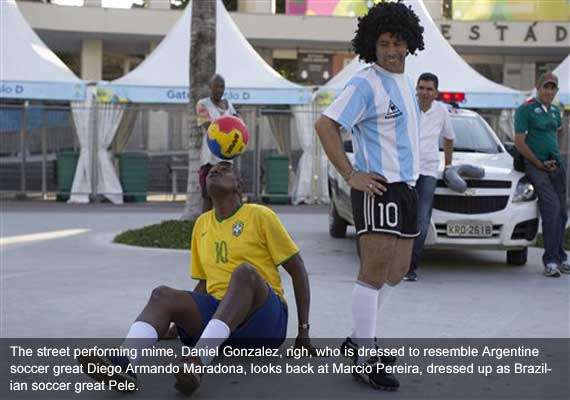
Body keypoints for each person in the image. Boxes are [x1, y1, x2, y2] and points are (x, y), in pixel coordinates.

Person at [78, 161, 314, 395]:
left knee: (245, 272)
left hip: (263, 321)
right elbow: (204, 283)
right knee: (162, 295)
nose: (216, 170)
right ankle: (124, 362)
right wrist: (176, 320)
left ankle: (197, 361)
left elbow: (298, 269)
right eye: (212, 171)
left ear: (238, 186)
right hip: (222, 321)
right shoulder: (202, 224)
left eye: (225, 169)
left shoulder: (260, 215)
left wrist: (303, 332)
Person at [315, 1, 424, 391]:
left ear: (409, 42)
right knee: (374, 273)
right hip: (379, 189)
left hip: (406, 188)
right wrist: (351, 174)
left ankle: (356, 338)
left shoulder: (406, 82)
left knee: (397, 273)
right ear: (371, 46)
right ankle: (365, 356)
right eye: (384, 44)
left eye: (397, 42)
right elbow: (325, 125)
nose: (392, 50)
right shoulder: (364, 83)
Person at [514, 72, 569, 277]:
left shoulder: (555, 111)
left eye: (553, 88)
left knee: (562, 212)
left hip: (555, 164)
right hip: (536, 165)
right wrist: (539, 163)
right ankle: (551, 261)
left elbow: (556, 133)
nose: (549, 91)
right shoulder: (525, 109)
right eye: (546, 87)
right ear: (538, 88)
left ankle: (560, 257)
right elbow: (520, 143)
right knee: (551, 209)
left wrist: (555, 156)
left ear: (556, 91)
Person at [404, 73, 455, 282]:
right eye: (421, 88)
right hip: (405, 171)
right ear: (416, 89)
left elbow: (449, 138)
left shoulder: (442, 111)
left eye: (429, 89)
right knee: (401, 218)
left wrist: (449, 166)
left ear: (436, 93)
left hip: (428, 171)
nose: (424, 92)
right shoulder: (407, 107)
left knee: (422, 220)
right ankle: (395, 262)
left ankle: (410, 267)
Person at [196, 74, 238, 213]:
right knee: (208, 196)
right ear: (210, 87)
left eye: (222, 87)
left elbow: (238, 123)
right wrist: (229, 126)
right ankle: (205, 225)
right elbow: (208, 127)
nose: (220, 90)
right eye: (216, 86)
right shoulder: (202, 104)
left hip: (226, 159)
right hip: (210, 159)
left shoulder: (228, 105)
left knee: (230, 195)